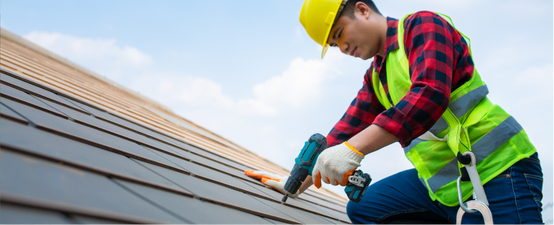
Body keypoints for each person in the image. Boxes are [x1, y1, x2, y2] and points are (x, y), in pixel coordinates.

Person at [247, 0, 544, 224]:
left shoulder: (423, 26)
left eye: (339, 34)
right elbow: (344, 131)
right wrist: (298, 180)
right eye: (334, 44)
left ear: (363, 10)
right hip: (446, 187)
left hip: (500, 170)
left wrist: (354, 149)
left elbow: (429, 95)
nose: (343, 47)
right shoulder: (376, 75)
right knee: (364, 208)